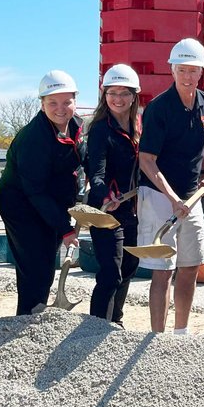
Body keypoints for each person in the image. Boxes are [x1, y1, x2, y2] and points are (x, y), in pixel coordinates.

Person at [137, 38, 204, 334]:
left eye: (193, 70)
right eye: (182, 70)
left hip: (190, 197)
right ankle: (157, 337)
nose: (187, 76)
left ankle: (181, 334)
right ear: (172, 70)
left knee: (191, 265)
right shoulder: (159, 109)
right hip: (159, 196)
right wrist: (171, 198)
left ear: (200, 73)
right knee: (163, 270)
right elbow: (146, 160)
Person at [0, 70, 82, 315]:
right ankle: (27, 317)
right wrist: (64, 228)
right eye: (52, 102)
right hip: (20, 204)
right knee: (36, 266)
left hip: (50, 201)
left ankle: (36, 311)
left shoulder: (76, 128)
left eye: (67, 102)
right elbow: (35, 191)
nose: (60, 108)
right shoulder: (34, 138)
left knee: (46, 262)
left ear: (75, 100)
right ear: (42, 104)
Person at [83, 64, 141, 326]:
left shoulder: (138, 128)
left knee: (129, 265)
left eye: (124, 93)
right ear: (104, 95)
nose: (118, 99)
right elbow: (96, 171)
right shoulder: (99, 129)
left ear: (134, 96)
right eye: (112, 92)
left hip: (130, 209)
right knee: (111, 271)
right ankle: (97, 325)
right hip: (105, 210)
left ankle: (115, 321)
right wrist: (105, 195)